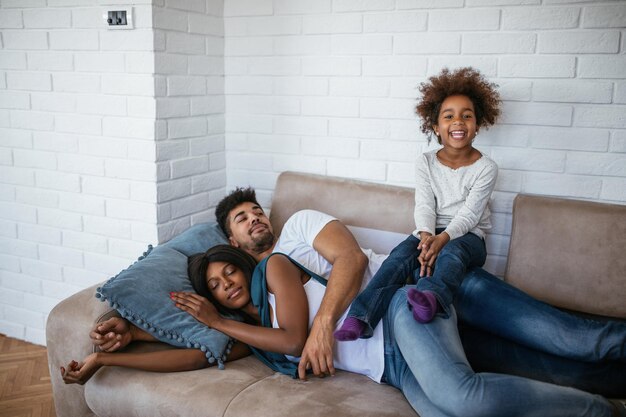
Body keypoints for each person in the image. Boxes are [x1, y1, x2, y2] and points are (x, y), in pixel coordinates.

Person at [64, 244, 626, 416]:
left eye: (228, 269)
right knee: (446, 415)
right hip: (394, 369)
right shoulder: (240, 334)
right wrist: (113, 356)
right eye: (215, 284)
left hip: (403, 316)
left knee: (464, 397)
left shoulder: (274, 270)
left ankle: (598, 413)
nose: (228, 282)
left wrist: (212, 319)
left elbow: (293, 339)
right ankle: (603, 397)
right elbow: (188, 357)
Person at [336, 67, 499, 342]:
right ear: (435, 126)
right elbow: (424, 204)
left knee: (453, 254)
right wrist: (426, 237)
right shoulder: (424, 162)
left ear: (477, 125)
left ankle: (431, 299)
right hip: (430, 230)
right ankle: (360, 317)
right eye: (449, 116)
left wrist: (443, 239)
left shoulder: (487, 168)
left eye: (466, 116)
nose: (458, 122)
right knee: (398, 258)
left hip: (469, 237)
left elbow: (470, 215)